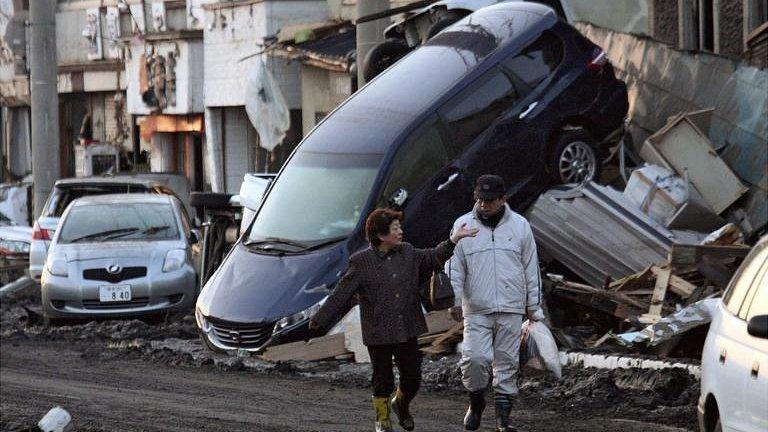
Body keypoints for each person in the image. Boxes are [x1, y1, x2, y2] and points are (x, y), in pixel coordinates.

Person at [309, 208, 478, 432]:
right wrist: (321, 320)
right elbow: (342, 292)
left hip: (407, 327)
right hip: (378, 331)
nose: (400, 232)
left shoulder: (407, 251)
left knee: (413, 376)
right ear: (380, 235)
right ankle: (382, 419)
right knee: (383, 379)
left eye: (399, 227)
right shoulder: (361, 261)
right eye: (395, 228)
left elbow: (432, 255)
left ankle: (401, 404)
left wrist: (454, 239)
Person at [447, 174, 542, 432]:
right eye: (480, 199)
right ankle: (476, 402)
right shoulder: (463, 225)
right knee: (475, 359)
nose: (484, 205)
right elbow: (455, 266)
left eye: (490, 200)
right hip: (476, 307)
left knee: (506, 363)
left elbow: (531, 268)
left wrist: (533, 307)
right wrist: (454, 299)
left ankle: (503, 419)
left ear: (503, 199)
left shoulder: (520, 226)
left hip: (511, 306)